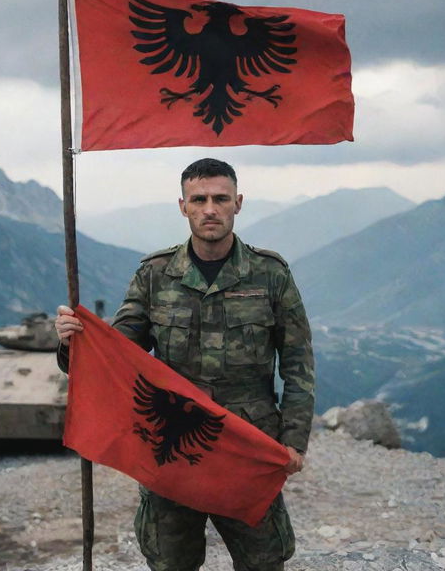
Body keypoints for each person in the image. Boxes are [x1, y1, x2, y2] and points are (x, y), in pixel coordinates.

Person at [55, 158, 314, 571]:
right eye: (199, 199)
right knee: (170, 561)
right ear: (183, 206)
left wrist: (294, 439)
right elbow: (118, 354)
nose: (210, 208)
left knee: (263, 562)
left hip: (246, 445)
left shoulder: (270, 274)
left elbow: (299, 362)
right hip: (173, 447)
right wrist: (74, 342)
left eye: (220, 198)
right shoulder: (155, 275)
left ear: (238, 203)